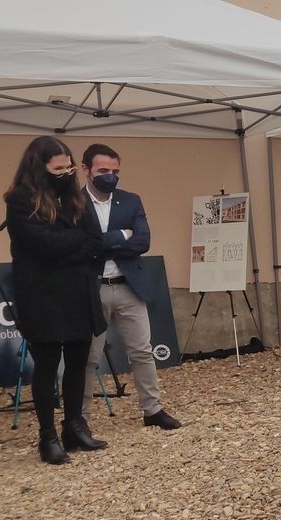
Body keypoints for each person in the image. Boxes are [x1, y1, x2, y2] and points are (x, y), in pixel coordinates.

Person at [3, 136, 108, 465]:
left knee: (78, 362)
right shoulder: (20, 200)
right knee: (46, 367)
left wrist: (68, 245)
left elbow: (95, 240)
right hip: (42, 297)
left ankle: (74, 426)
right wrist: (73, 243)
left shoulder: (77, 197)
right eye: (57, 168)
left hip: (79, 292)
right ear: (40, 167)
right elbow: (43, 245)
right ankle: (47, 435)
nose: (65, 173)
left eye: (69, 167)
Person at [79, 144, 181, 430]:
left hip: (128, 286)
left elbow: (142, 242)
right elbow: (79, 247)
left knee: (142, 351)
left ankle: (152, 410)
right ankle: (80, 418)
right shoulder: (73, 203)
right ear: (86, 169)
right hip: (91, 289)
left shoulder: (131, 200)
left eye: (115, 171)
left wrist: (102, 242)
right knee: (88, 357)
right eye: (103, 171)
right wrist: (119, 236)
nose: (110, 176)